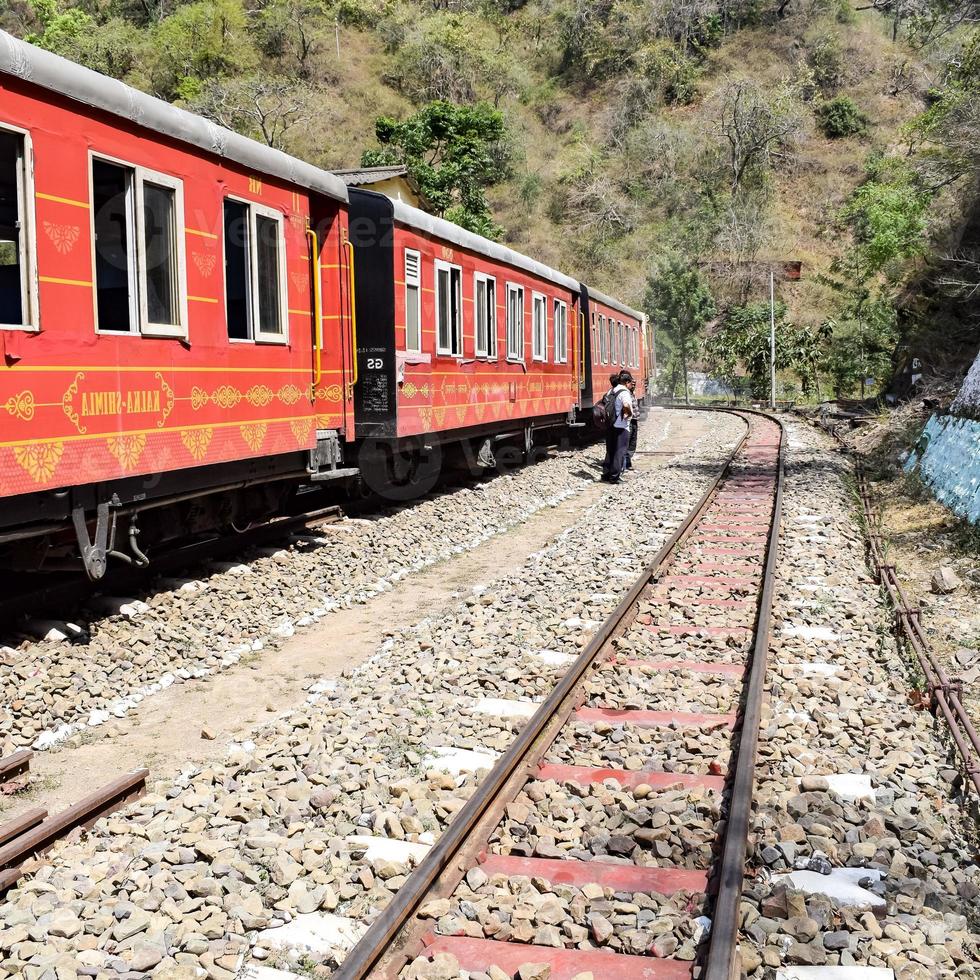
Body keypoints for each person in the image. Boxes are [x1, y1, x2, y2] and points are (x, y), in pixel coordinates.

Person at [601, 370, 633, 484]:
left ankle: (606, 474)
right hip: (621, 426)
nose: (631, 385)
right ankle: (614, 477)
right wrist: (628, 416)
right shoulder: (624, 392)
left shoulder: (611, 390)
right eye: (630, 383)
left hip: (610, 425)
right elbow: (626, 406)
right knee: (620, 451)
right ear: (627, 382)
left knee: (610, 450)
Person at [625, 377, 639, 470]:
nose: (633, 386)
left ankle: (628, 460)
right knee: (628, 442)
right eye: (632, 384)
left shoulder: (633, 394)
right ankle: (626, 463)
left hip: (634, 420)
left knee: (633, 442)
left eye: (635, 384)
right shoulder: (626, 394)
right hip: (629, 421)